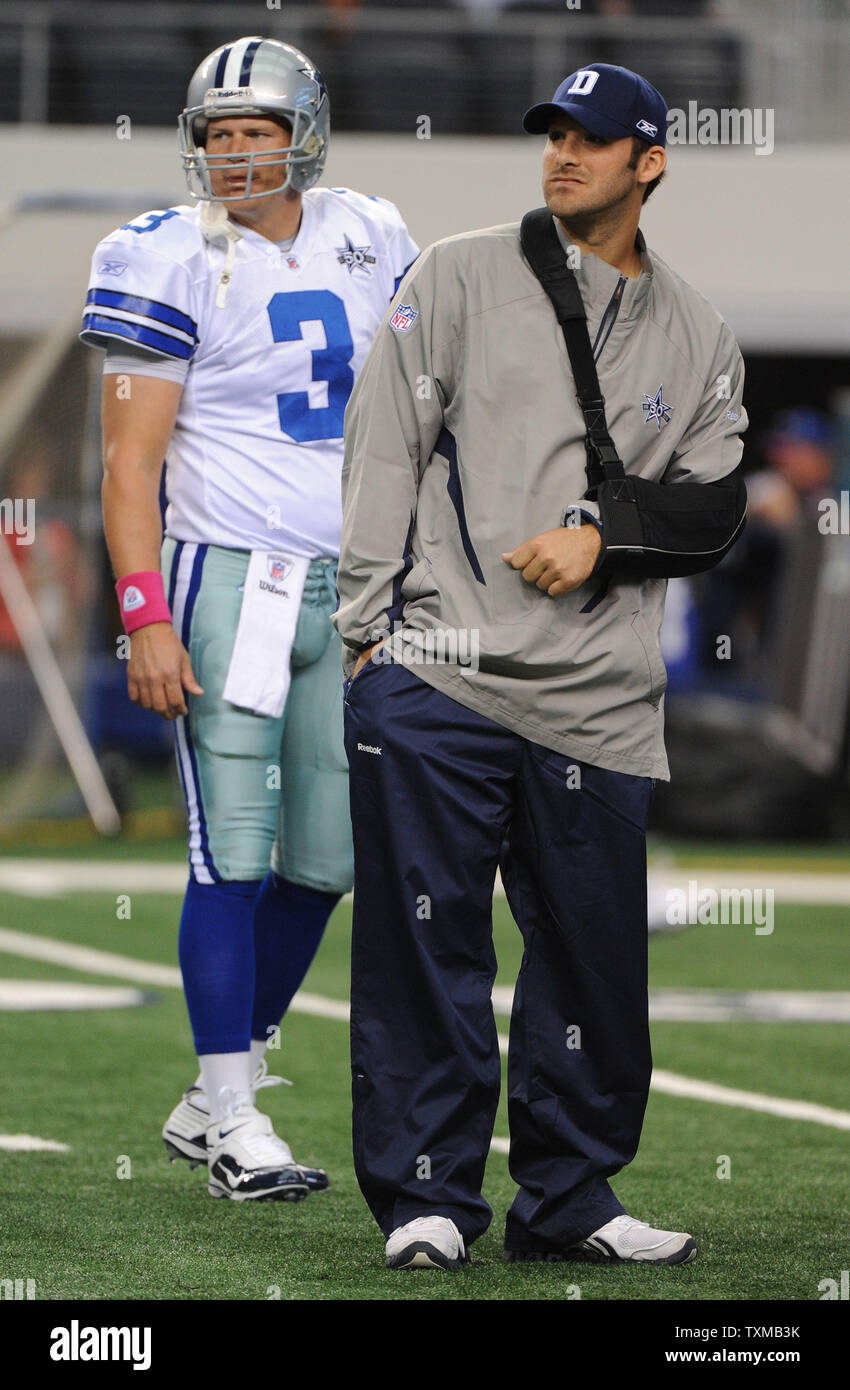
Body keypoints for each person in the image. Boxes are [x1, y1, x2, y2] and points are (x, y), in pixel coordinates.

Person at [333, 62, 747, 1268]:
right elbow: (385, 447)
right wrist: (366, 629)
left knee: (594, 962)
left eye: (593, 139)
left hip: (602, 702)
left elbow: (714, 507)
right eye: (552, 135)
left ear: (649, 161)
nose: (563, 154)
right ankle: (425, 1202)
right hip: (439, 674)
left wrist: (602, 538)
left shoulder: (700, 330)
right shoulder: (454, 274)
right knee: (425, 946)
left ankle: (570, 1200)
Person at [80, 35, 417, 1203]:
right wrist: (142, 615)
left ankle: (215, 1086)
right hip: (226, 576)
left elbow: (418, 405)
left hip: (352, 581)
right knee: (230, 848)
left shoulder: (371, 230)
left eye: (255, 134)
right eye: (218, 135)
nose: (234, 155)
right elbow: (129, 465)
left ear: (304, 135)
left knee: (326, 860)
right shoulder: (164, 254)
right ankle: (233, 1116)